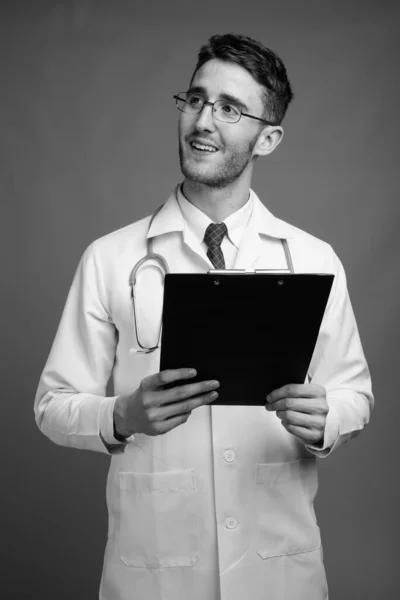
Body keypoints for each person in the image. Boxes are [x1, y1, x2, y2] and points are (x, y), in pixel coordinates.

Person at [35, 33, 373, 600]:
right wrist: (121, 415)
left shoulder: (314, 259)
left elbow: (355, 394)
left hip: (278, 572)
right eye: (195, 100)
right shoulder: (110, 257)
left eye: (229, 109)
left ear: (268, 138)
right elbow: (52, 404)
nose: (203, 121)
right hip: (156, 574)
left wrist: (326, 419)